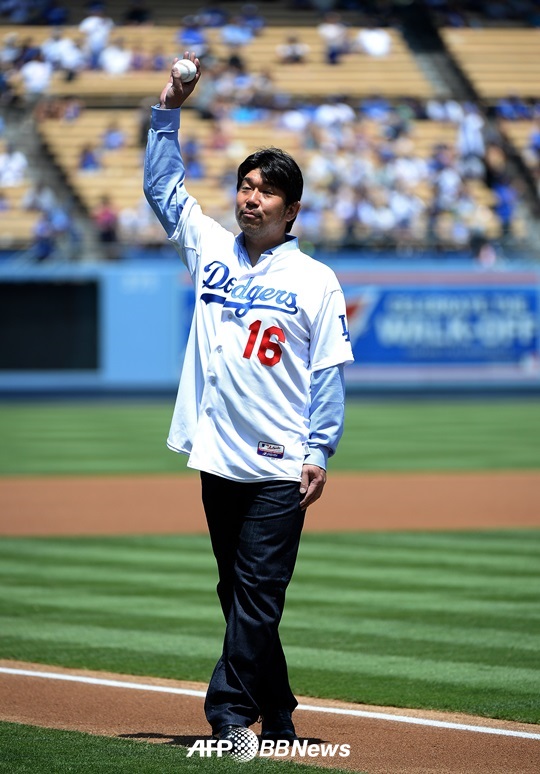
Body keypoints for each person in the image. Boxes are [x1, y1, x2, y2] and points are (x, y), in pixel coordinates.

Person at [144, 53, 353, 750]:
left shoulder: (316, 280)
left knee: (257, 597)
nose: (248, 198)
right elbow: (164, 190)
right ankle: (282, 711)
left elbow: (328, 370)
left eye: (265, 191)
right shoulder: (208, 247)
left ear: (292, 209)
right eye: (244, 186)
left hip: (278, 464)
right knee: (240, 598)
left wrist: (319, 449)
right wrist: (168, 109)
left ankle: (230, 717)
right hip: (217, 455)